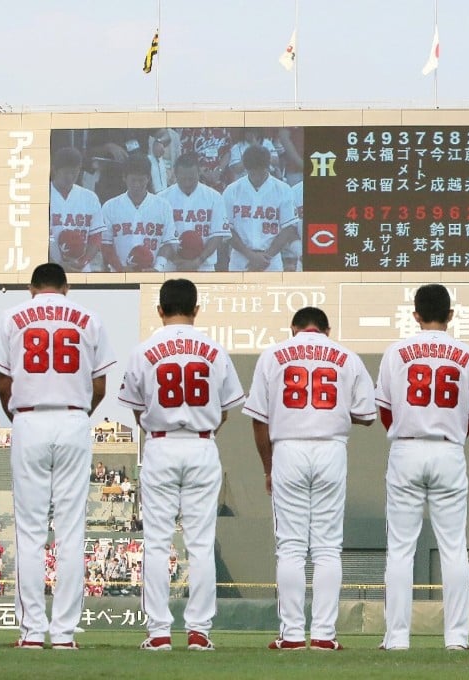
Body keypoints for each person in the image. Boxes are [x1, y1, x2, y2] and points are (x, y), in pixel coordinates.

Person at [0, 263, 115, 649]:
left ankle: (30, 633)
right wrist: (77, 413)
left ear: (31, 288)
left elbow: (3, 382)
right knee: (71, 532)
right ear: (66, 286)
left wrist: (19, 415)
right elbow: (100, 385)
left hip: (29, 419)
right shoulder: (88, 318)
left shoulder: (12, 316)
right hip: (74, 418)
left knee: (29, 533)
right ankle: (63, 635)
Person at [118, 278, 244, 652]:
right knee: (201, 544)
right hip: (202, 445)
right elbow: (225, 410)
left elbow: (137, 408)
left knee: (156, 543)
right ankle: (198, 632)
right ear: (196, 308)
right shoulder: (214, 350)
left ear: (160, 309)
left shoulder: (144, 350)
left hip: (160, 444)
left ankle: (158, 632)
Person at [244, 307, 375, 651]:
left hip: (288, 448)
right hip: (331, 449)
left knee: (290, 547)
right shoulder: (346, 356)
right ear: (326, 329)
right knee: (328, 548)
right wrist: (333, 412)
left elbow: (259, 420)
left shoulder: (273, 355)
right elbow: (367, 416)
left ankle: (291, 636)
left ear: (294, 328)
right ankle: (323, 636)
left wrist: (268, 467)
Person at [376, 284, 469, 651]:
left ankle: (396, 639)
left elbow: (384, 410)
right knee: (454, 547)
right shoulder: (467, 354)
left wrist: (409, 433)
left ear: (415, 315)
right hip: (448, 450)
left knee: (400, 549)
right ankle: (457, 638)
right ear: (451, 314)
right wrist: (451, 435)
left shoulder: (397, 352)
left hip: (406, 449)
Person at [221, 144, 299, 272]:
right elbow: (227, 229)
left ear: (268, 167)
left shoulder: (283, 190)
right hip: (240, 259)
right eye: (253, 172)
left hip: (271, 260)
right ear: (246, 169)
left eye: (260, 171)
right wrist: (250, 256)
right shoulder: (232, 190)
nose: (257, 176)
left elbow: (288, 228)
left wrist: (266, 257)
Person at [100, 155, 176, 273]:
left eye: (141, 180)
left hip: (152, 274)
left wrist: (157, 268)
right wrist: (121, 269)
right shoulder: (110, 207)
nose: (137, 184)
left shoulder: (163, 206)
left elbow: (168, 242)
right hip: (120, 273)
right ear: (124, 178)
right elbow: (105, 244)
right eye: (133, 180)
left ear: (148, 178)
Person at [158, 152, 228, 272]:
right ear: (175, 174)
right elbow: (159, 236)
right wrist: (177, 261)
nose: (187, 183)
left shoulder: (214, 197)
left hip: (204, 265)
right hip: (171, 265)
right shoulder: (161, 199)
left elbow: (217, 234)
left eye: (192, 178)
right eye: (183, 178)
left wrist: (198, 261)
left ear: (199, 173)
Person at [49, 146, 106, 273]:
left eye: (74, 172)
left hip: (80, 268)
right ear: (54, 170)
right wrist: (55, 264)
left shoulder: (89, 197)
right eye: (66, 172)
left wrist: (83, 262)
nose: (70, 177)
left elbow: (96, 237)